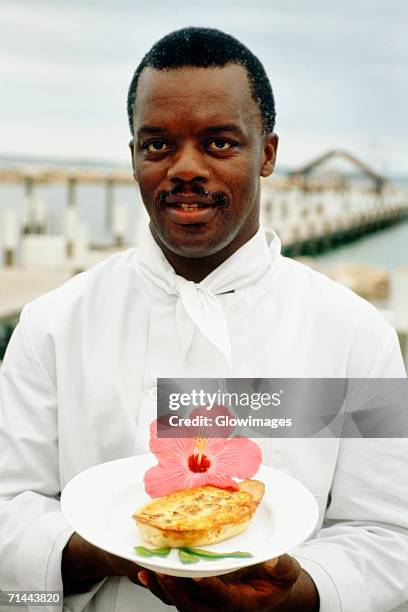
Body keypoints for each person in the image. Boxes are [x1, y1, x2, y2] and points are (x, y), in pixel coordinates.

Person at [0, 26, 407, 612]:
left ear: (266, 154)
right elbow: (10, 510)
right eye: (158, 145)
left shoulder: (356, 335)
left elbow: (390, 535)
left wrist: (298, 595)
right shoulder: (52, 324)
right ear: (135, 157)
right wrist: (112, 548)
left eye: (219, 143)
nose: (184, 167)